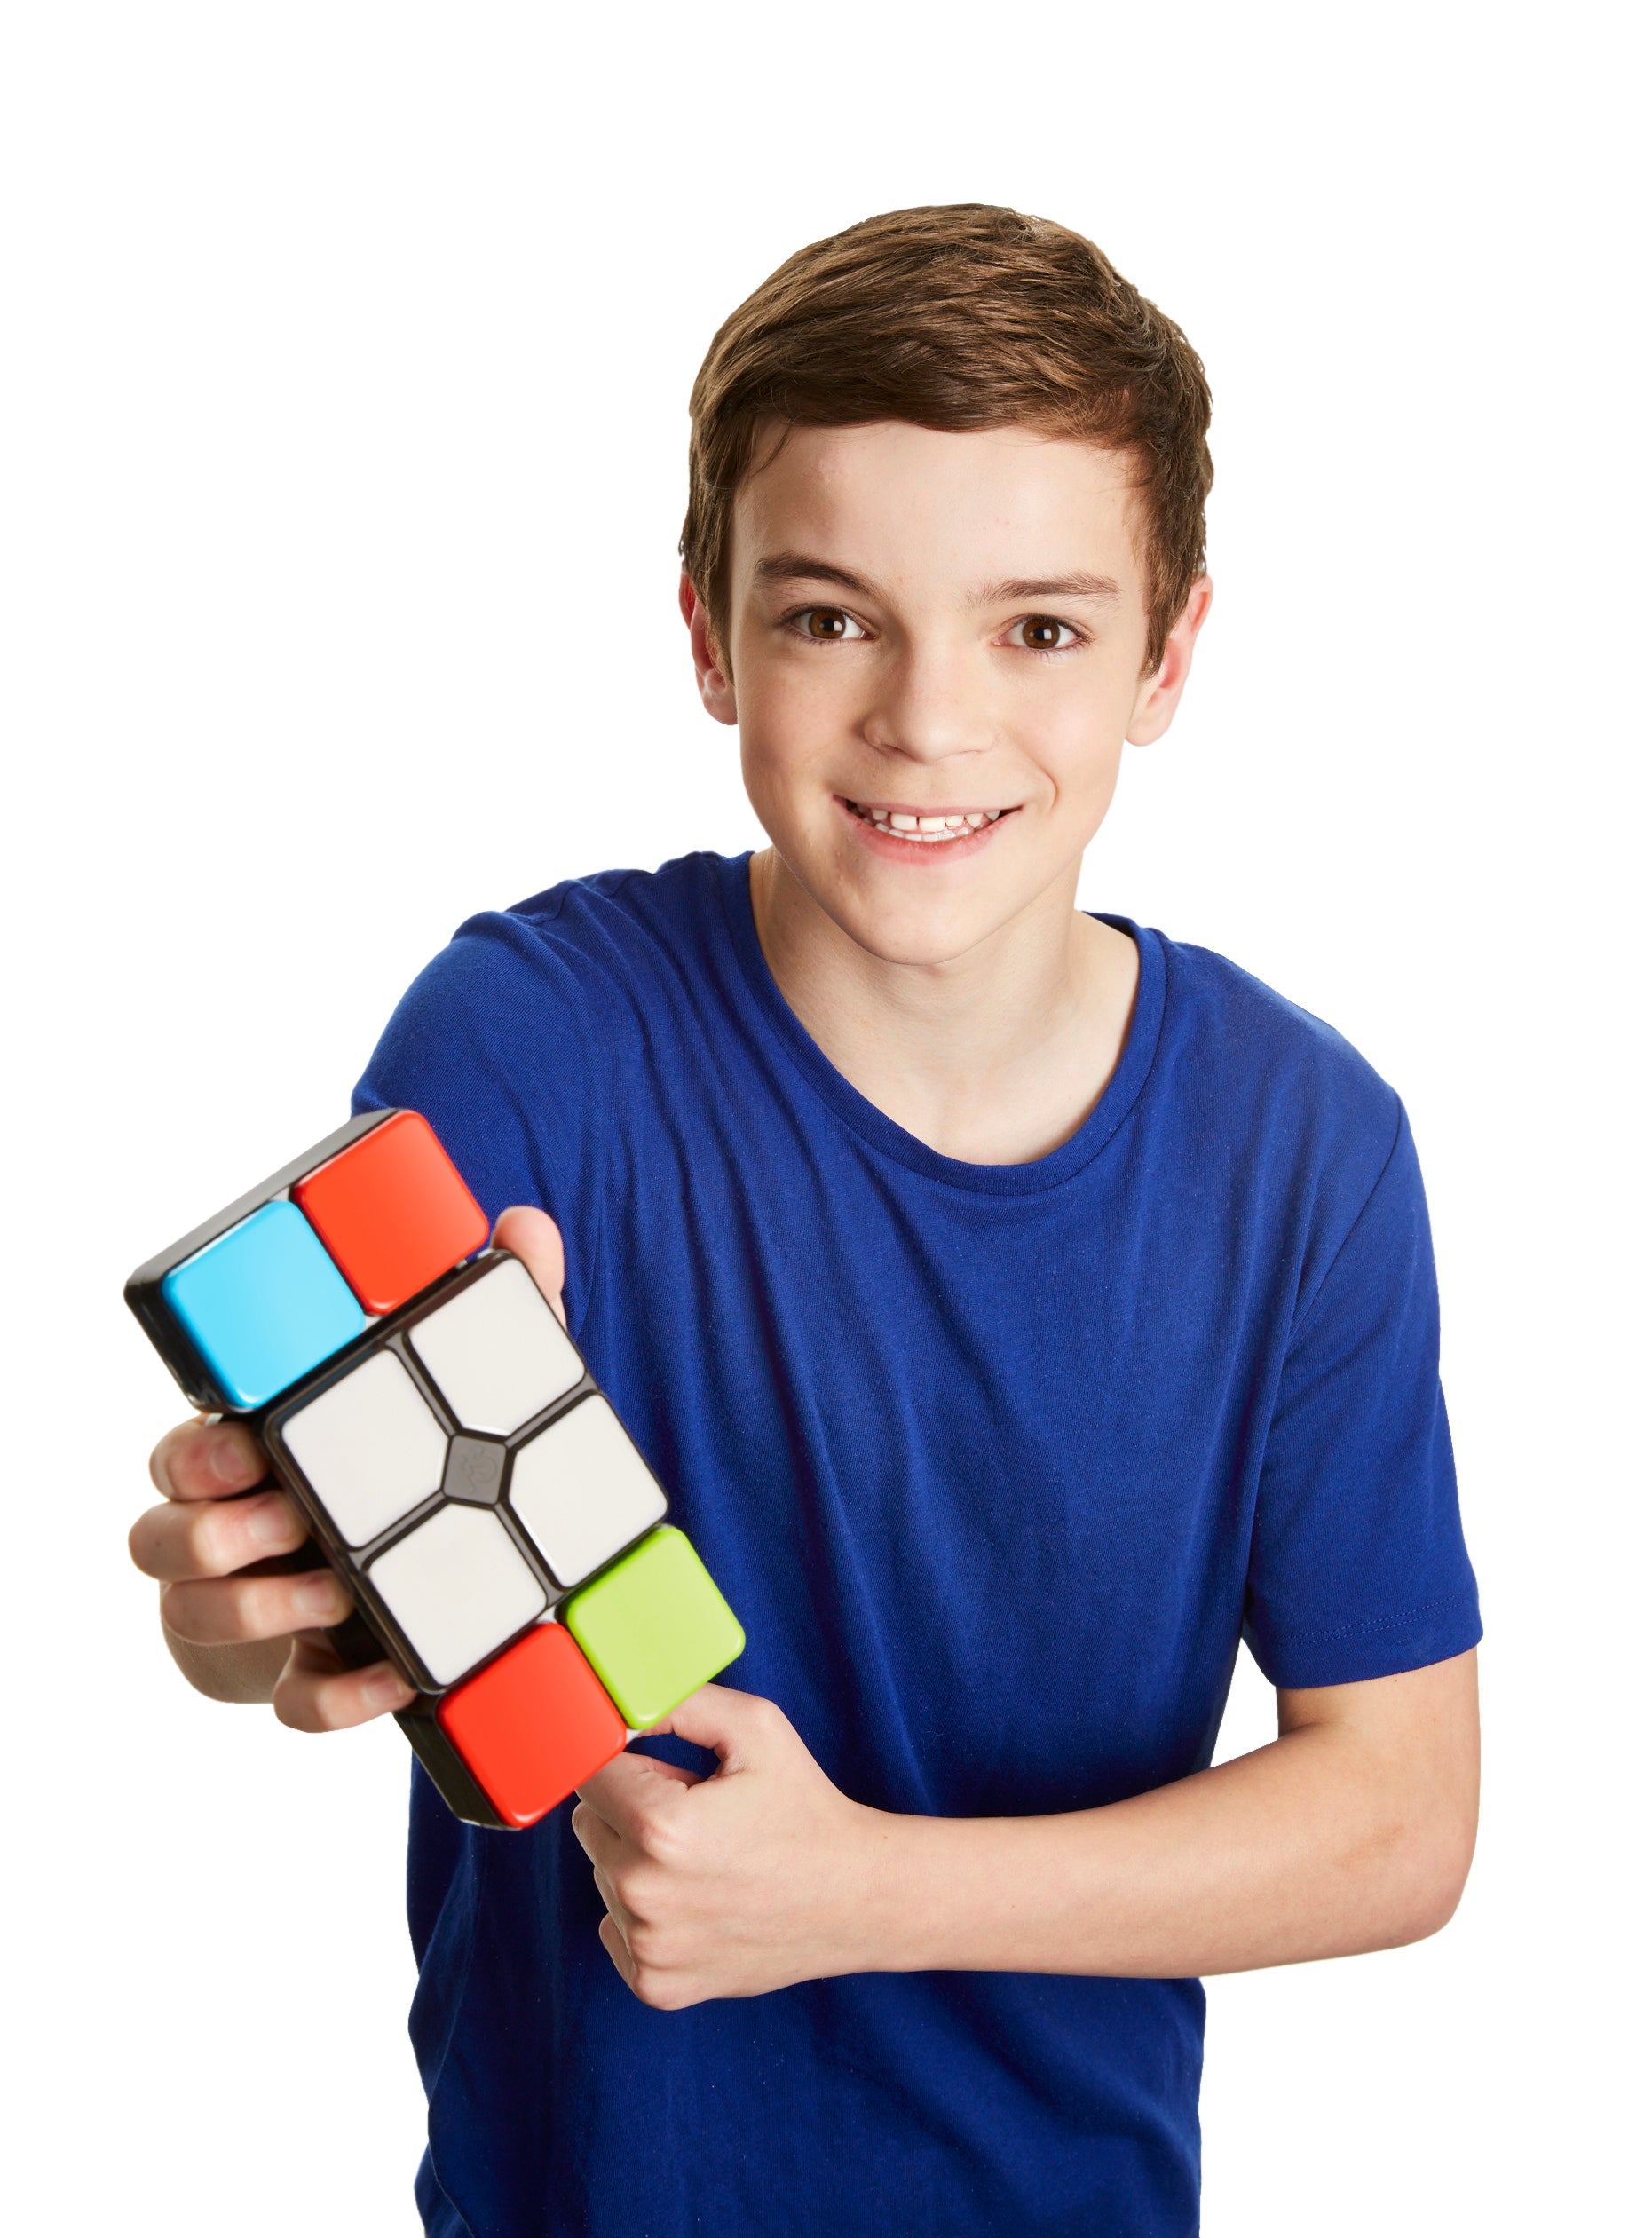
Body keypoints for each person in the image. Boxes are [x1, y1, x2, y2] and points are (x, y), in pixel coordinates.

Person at [127, 204, 1482, 2236]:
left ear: (1167, 655)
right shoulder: (527, 1041)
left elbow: (1397, 1814)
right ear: (707, 632)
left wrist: (865, 1892)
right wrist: (250, 1619)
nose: (928, 720)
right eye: (832, 616)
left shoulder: (1304, 1143)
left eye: (1038, 627)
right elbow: (361, 1577)